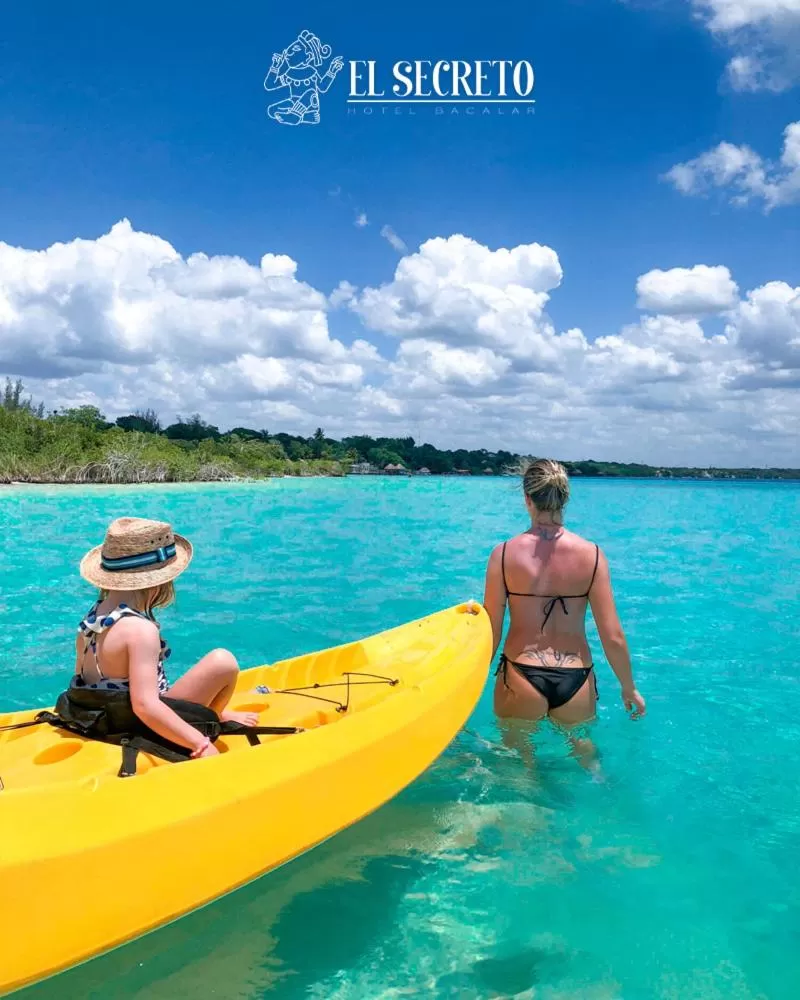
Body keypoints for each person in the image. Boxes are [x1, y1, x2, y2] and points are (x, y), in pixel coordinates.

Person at [482, 459, 645, 741]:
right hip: (576, 677)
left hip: (521, 673)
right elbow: (613, 636)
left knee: (516, 760)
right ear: (565, 498)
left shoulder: (504, 554)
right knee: (585, 754)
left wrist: (467, 682)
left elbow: (491, 631)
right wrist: (629, 687)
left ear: (527, 499)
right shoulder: (593, 555)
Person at [73, 516, 257, 760]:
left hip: (108, 719)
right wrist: (200, 744)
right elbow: (145, 705)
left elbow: (82, 681)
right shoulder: (140, 630)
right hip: (143, 725)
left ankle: (217, 715)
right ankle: (212, 719)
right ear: (161, 581)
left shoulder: (93, 619)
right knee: (223, 661)